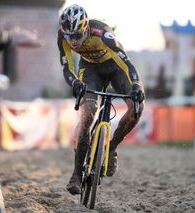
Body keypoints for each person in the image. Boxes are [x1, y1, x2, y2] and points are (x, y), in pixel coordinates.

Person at [57, 4, 145, 195]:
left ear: (86, 28)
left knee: (137, 108)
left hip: (115, 67)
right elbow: (67, 67)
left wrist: (137, 86)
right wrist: (75, 83)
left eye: (77, 36)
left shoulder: (102, 33)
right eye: (68, 37)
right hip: (90, 70)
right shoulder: (63, 34)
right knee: (87, 115)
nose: (73, 42)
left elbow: (126, 61)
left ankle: (112, 147)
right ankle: (76, 175)